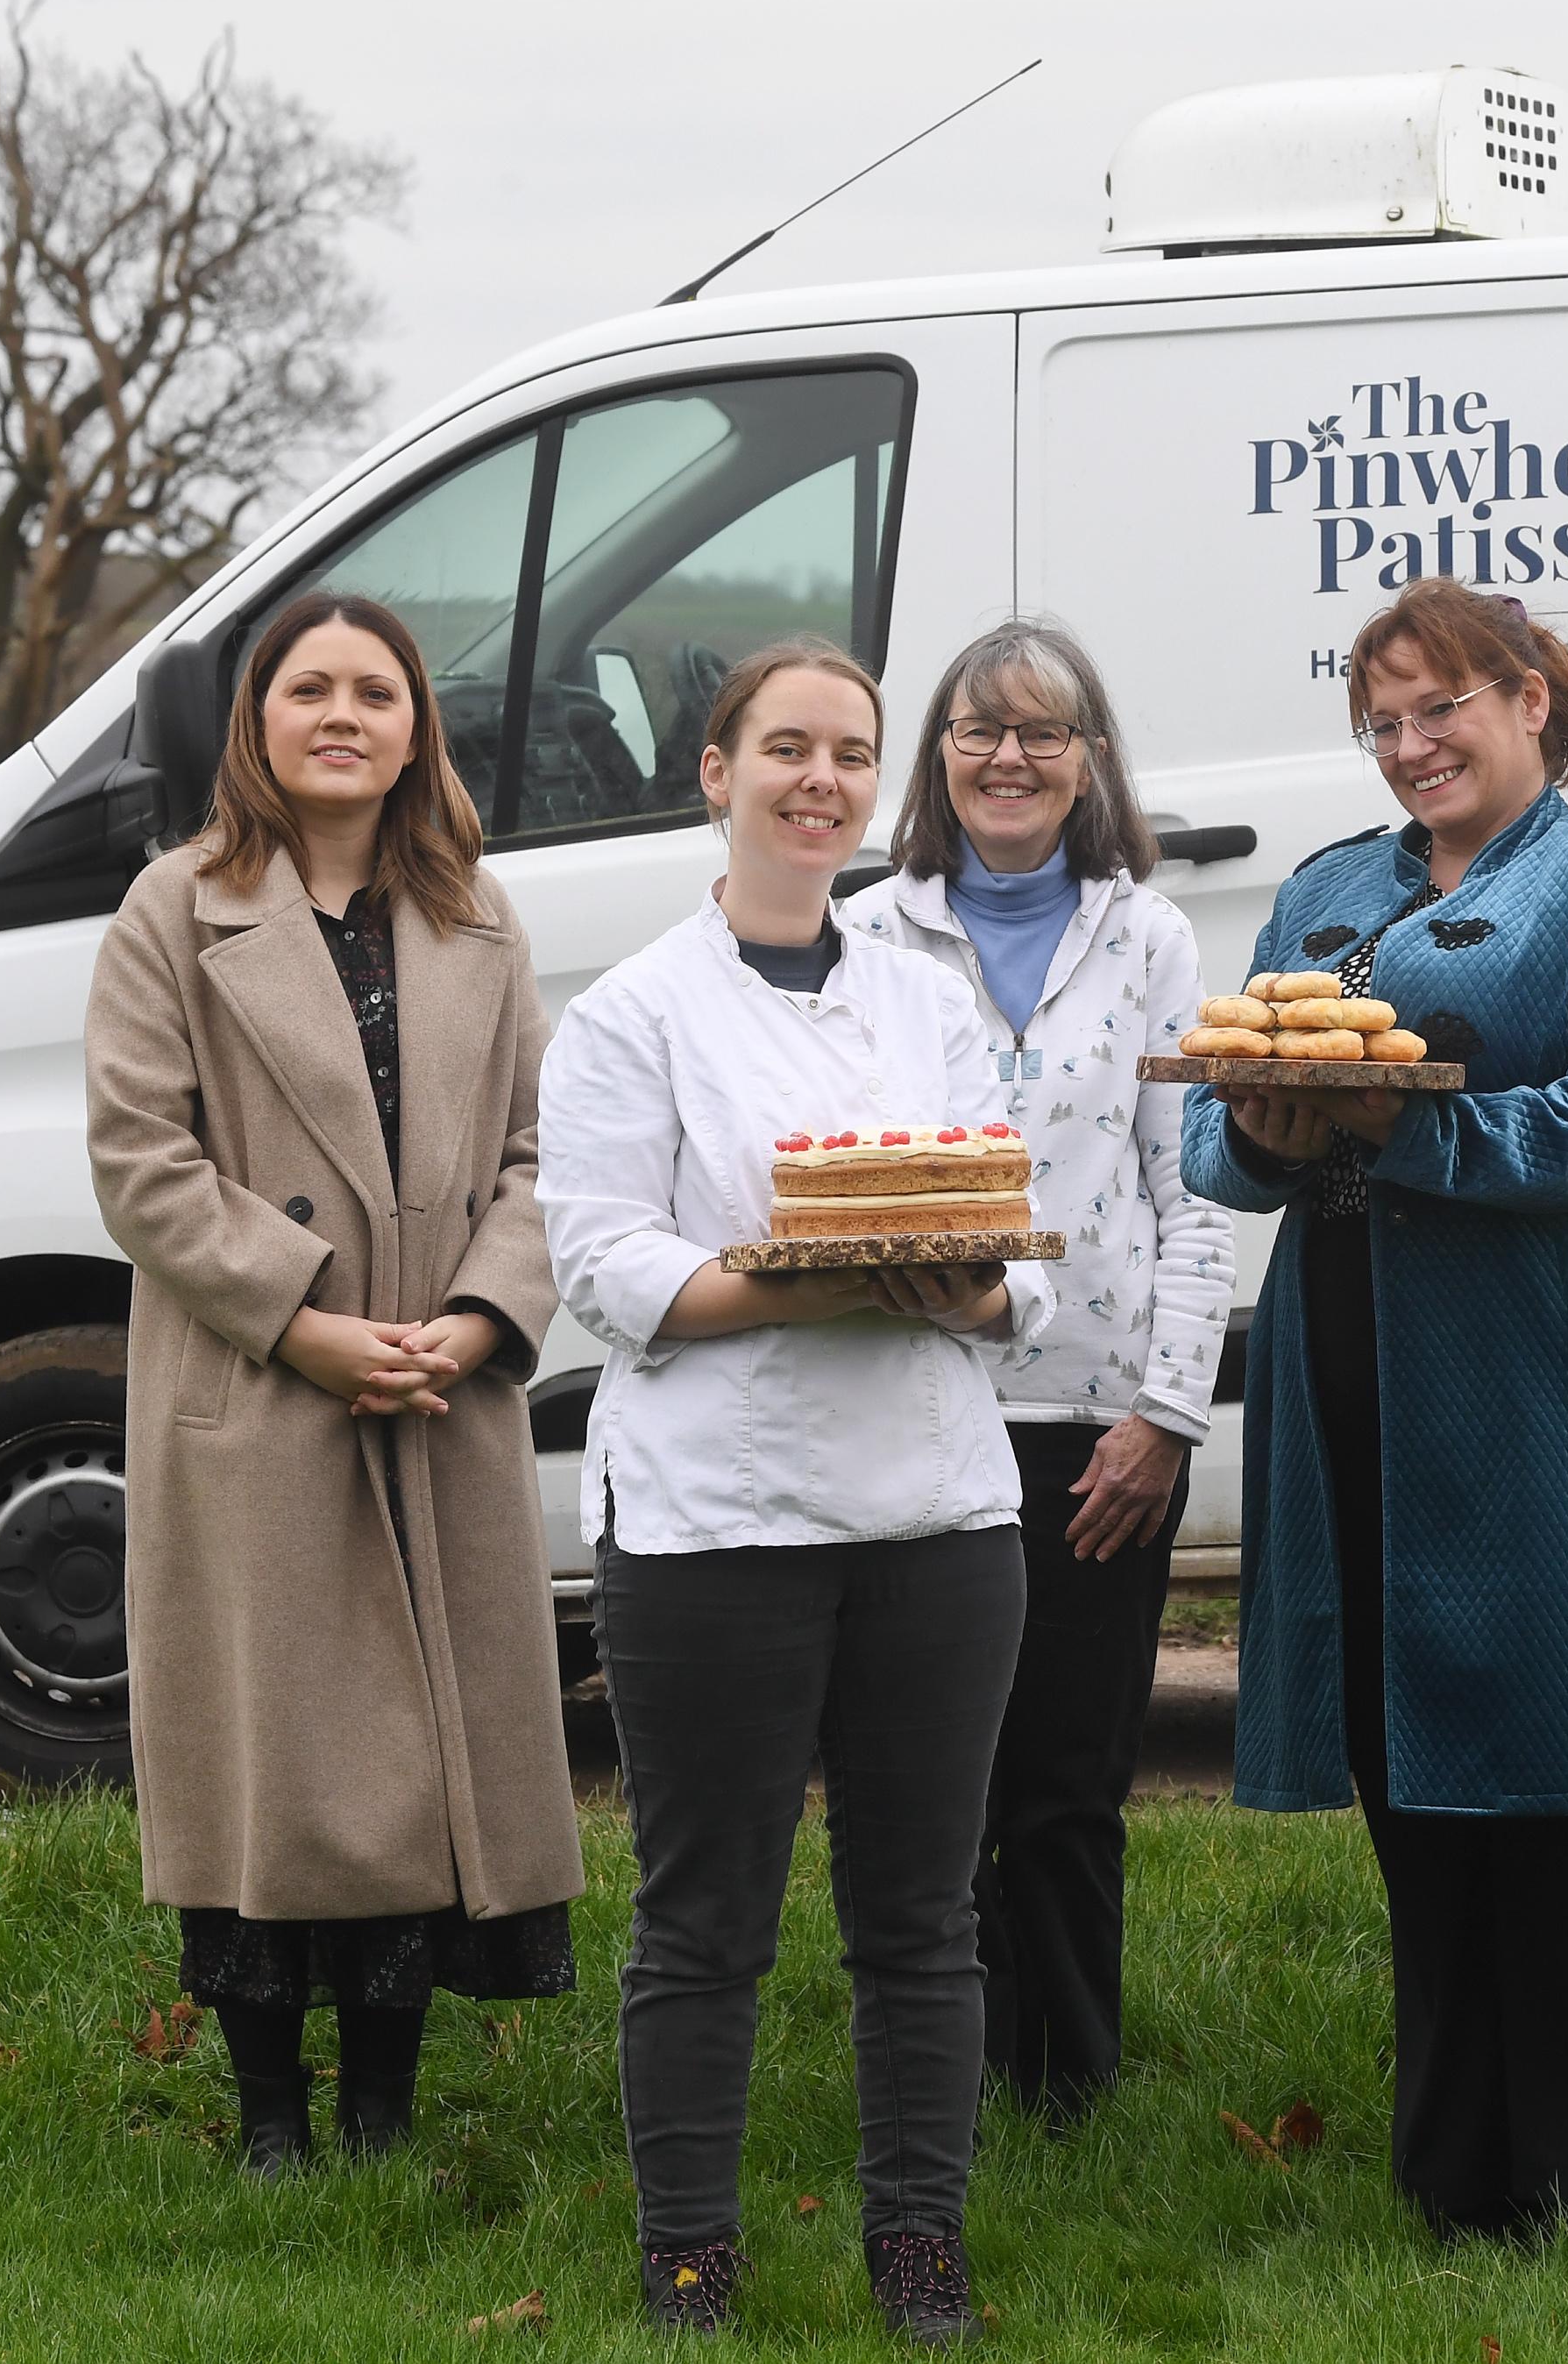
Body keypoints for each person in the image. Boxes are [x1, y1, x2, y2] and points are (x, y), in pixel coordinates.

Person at [1180, 577, 1568, 2240]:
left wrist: (1396, 1134)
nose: (1409, 744)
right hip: (1357, 1372)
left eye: (1442, 705)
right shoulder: (1320, 898)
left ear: (1536, 698)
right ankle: (1460, 2176)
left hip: (1558, 1379)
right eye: (1382, 720)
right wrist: (1272, 1135)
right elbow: (1207, 1143)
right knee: (1416, 1762)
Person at [540, 639, 1050, 2345]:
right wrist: (824, 1282)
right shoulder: (630, 1012)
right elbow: (605, 1267)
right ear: (715, 770)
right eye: (785, 748)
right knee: (704, 1919)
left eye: (847, 752)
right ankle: (687, 2248)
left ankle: (918, 2243)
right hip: (712, 1527)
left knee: (921, 1918)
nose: (818, 779)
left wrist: (964, 1286)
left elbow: (1009, 1265)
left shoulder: (927, 995)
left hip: (934, 1518)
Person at [84, 591, 584, 2177]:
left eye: (377, 691)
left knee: (413, 1769)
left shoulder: (479, 919)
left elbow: (534, 1156)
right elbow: (141, 1163)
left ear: (416, 727)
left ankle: (381, 2110)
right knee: (271, 1761)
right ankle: (270, 2116)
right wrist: (301, 1322)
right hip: (260, 1395)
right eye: (310, 689)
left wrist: (481, 1319)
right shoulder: (171, 913)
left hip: (438, 1391)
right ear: (259, 722)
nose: (344, 715)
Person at [839, 619, 1238, 2122]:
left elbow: (1190, 1188)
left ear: (1088, 764)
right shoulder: (865, 934)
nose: (1008, 758)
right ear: (938, 760)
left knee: (1066, 1780)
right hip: (911, 1411)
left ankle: (1065, 2083)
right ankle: (929, 2070)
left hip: (1091, 1425)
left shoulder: (1148, 939)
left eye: (1042, 734)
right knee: (924, 1784)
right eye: (977, 731)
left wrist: (1166, 1414)